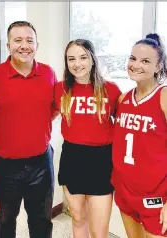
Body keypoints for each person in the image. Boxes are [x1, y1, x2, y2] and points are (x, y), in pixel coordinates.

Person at [0, 21, 57, 238]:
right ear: (8, 44)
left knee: (41, 221)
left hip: (41, 162)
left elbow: (53, 108)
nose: (24, 45)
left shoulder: (49, 74)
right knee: (4, 221)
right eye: (18, 40)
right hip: (3, 166)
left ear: (37, 45)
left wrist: (34, 125)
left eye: (29, 40)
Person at [54, 39, 121, 238]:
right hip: (72, 157)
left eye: (83, 57)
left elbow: (125, 126)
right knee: (77, 218)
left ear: (92, 59)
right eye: (71, 59)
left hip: (101, 160)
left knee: (99, 229)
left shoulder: (111, 89)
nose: (77, 64)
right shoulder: (60, 89)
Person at [111, 33, 167, 238]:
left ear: (158, 66)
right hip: (125, 190)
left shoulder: (163, 97)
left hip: (155, 195)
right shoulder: (123, 98)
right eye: (133, 58)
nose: (136, 65)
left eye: (145, 61)